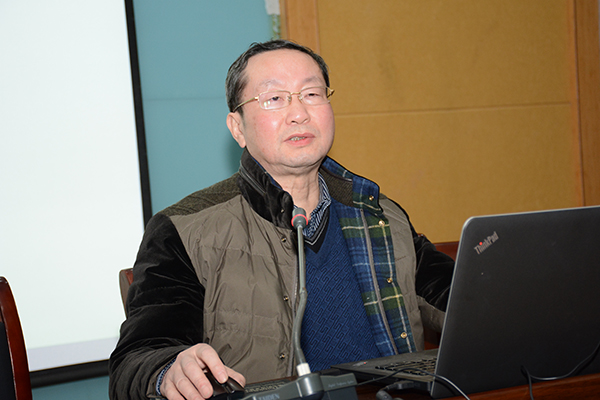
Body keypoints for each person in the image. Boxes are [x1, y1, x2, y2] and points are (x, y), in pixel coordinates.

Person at [109, 39, 454, 400]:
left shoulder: (379, 214)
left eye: (312, 94)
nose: (299, 113)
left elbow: (461, 302)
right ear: (237, 128)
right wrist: (168, 369)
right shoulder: (185, 229)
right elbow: (137, 360)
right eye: (274, 98)